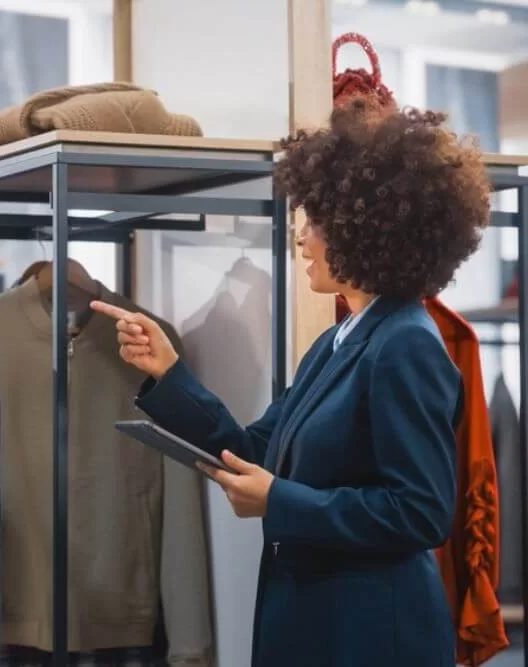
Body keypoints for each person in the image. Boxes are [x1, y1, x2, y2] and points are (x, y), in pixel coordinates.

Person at [92, 100, 491, 667]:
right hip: (316, 618)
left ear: (366, 229)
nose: (303, 239)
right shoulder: (341, 340)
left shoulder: (406, 343)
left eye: (317, 222)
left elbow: (420, 512)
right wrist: (168, 372)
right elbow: (256, 450)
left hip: (370, 632)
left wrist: (281, 501)